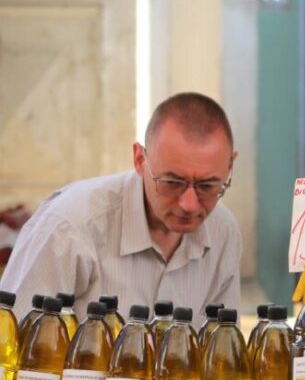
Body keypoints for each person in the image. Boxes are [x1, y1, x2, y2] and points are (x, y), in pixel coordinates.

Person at [0, 92, 241, 323]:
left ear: (230, 166)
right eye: (172, 183)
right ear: (139, 160)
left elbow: (221, 353)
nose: (189, 204)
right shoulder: (69, 227)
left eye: (208, 185)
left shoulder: (223, 231)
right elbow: (9, 348)